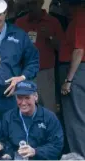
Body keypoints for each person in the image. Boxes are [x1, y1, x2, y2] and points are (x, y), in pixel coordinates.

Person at [15, 0, 64, 113]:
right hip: (25, 72)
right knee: (25, 105)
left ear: (41, 2)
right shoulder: (20, 22)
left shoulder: (52, 21)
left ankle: (49, 130)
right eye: (29, 4)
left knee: (47, 105)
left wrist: (50, 36)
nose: (31, 7)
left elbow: (61, 47)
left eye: (34, 3)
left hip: (45, 71)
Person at [1, 80, 64, 160]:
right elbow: (5, 142)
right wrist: (8, 154)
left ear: (36, 97)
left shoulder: (49, 117)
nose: (23, 103)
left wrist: (35, 151)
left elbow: (57, 146)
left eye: (27, 98)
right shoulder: (8, 117)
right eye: (19, 98)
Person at [60, 0, 85, 157]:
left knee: (76, 118)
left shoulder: (80, 17)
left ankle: (79, 156)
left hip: (77, 70)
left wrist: (68, 80)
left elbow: (79, 50)